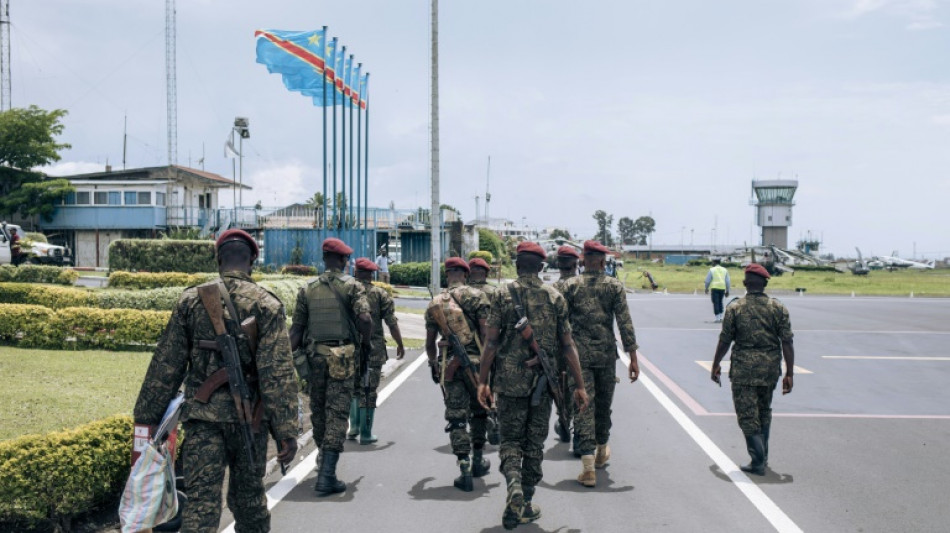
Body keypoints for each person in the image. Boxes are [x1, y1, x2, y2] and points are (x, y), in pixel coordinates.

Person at [133, 229, 299, 532]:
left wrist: (146, 418)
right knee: (250, 502)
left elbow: (166, 365)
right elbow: (278, 374)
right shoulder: (267, 304)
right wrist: (287, 431)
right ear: (252, 261)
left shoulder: (190, 300)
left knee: (201, 506)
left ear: (218, 258)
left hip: (203, 421)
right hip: (250, 421)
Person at [476, 241, 589, 529]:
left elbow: (490, 342)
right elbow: (568, 346)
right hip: (544, 384)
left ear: (516, 264)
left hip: (509, 382)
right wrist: (579, 385)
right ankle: (525, 500)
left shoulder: (502, 295)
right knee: (535, 443)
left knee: (511, 441)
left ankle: (512, 485)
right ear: (541, 267)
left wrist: (482, 381)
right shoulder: (555, 297)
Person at [290, 237, 372, 495]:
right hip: (342, 359)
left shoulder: (307, 289)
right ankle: (327, 474)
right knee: (337, 414)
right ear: (344, 261)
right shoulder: (353, 287)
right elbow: (365, 318)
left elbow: (296, 331)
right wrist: (365, 343)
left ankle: (323, 456)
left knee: (319, 411)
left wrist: (283, 359)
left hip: (314, 359)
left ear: (325, 259)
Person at [559, 240, 640, 487]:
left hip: (577, 357)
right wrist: (633, 358)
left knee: (582, 405)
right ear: (603, 261)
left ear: (583, 260)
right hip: (606, 355)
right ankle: (602, 449)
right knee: (603, 405)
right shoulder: (613, 286)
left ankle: (587, 466)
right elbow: (624, 322)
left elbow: (559, 323)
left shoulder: (569, 286)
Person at [710, 263, 794, 476]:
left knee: (747, 415)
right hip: (769, 370)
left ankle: (758, 460)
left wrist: (716, 363)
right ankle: (762, 457)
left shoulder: (735, 308)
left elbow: (725, 340)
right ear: (765, 283)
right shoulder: (778, 308)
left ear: (746, 283)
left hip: (744, 371)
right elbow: (787, 342)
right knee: (764, 411)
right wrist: (789, 373)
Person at [424, 257, 491, 492]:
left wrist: (433, 363)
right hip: (477, 364)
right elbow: (486, 334)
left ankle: (463, 467)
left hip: (450, 366)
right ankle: (479, 459)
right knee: (480, 413)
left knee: (456, 418)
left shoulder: (435, 302)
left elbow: (430, 343)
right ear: (465, 274)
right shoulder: (477, 296)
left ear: (447, 275)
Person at [349, 257, 405, 444]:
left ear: (356, 272)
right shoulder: (380, 294)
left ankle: (353, 427)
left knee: (353, 387)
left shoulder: (347, 290)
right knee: (369, 390)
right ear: (372, 274)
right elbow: (391, 322)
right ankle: (366, 433)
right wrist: (400, 343)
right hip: (373, 349)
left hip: (349, 348)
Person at [552, 245, 580, 445]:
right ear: (576, 264)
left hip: (560, 346)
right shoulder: (584, 285)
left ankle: (563, 420)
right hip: (584, 346)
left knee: (562, 386)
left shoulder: (553, 289)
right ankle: (580, 431)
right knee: (582, 386)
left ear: (558, 264)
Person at [705, 258, 731, 323]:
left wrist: (706, 288)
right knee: (720, 302)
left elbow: (707, 281)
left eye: (712, 262)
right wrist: (727, 290)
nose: (712, 263)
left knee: (715, 302)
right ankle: (721, 317)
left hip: (715, 288)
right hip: (722, 287)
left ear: (714, 262)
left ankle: (717, 318)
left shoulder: (712, 270)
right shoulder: (725, 270)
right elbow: (727, 281)